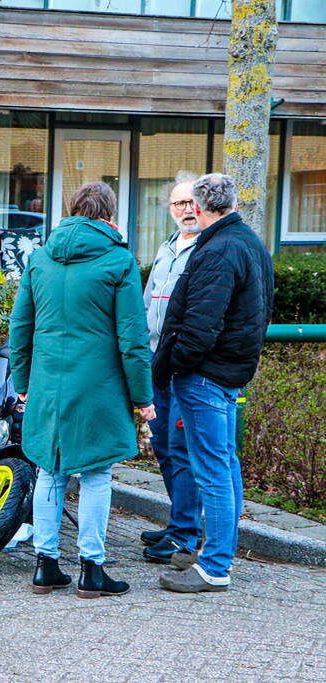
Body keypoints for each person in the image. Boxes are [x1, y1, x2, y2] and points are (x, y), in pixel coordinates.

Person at [9, 182, 155, 598]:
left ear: (73, 211)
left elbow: (21, 327)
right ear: (110, 214)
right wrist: (143, 398)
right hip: (99, 385)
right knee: (95, 474)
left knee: (49, 470)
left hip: (48, 384)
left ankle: (45, 565)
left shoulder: (40, 259)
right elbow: (132, 338)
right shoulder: (119, 261)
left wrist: (23, 384)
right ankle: (92, 568)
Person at [153, 173, 274, 593]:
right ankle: (219, 555)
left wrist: (171, 366)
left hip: (204, 375)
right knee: (224, 463)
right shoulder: (250, 244)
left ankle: (216, 565)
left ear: (200, 208)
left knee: (212, 469)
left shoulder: (217, 250)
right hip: (229, 371)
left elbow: (199, 325)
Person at [140, 172, 203, 565]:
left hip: (184, 366)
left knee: (182, 450)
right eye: (178, 203)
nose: (185, 209)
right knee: (163, 446)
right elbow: (148, 303)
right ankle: (179, 522)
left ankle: (186, 534)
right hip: (154, 362)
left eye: (191, 202)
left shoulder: (206, 249)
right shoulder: (166, 248)